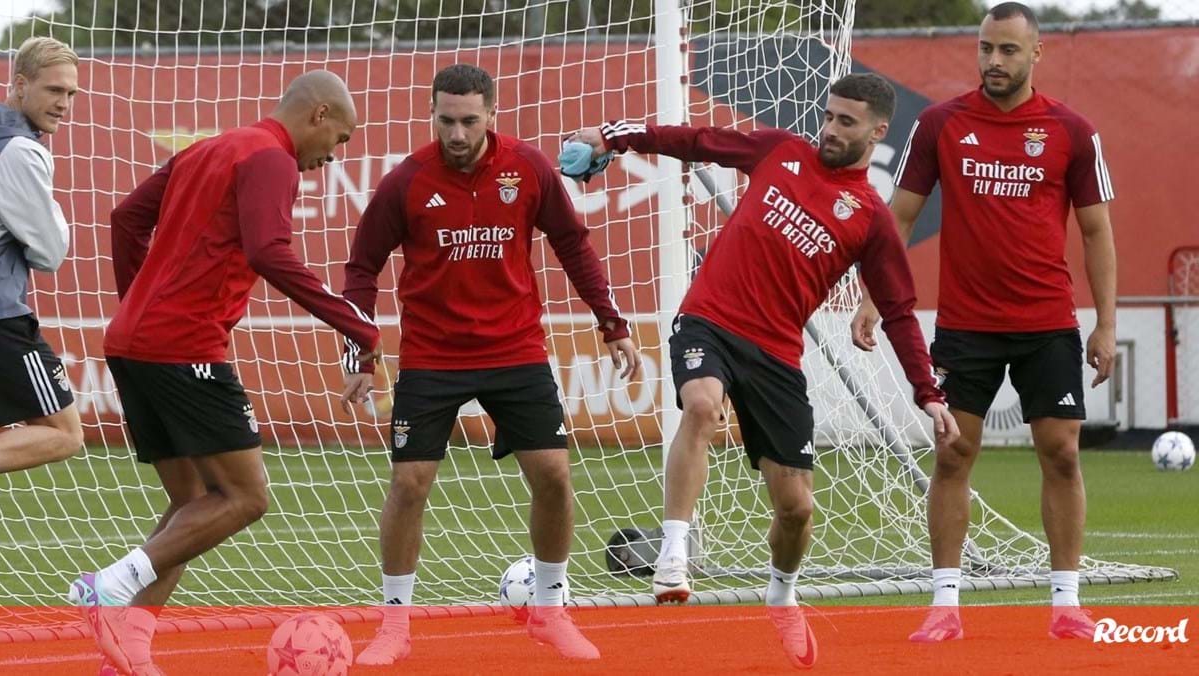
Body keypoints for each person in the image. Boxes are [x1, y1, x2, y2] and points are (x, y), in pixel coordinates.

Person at [572, 73, 958, 669]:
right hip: (709, 320)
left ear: (879, 132)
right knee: (700, 405)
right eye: (828, 116)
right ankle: (672, 552)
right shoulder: (780, 150)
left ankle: (782, 596)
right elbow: (696, 141)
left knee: (797, 508)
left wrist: (927, 393)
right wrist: (614, 138)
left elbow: (901, 312)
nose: (830, 129)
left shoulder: (871, 219)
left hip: (777, 355)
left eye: (846, 122)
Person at [67, 70, 381, 675]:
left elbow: (126, 217)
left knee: (191, 505)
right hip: (185, 346)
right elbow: (270, 251)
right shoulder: (273, 159)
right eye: (339, 139)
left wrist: (140, 305)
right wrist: (358, 327)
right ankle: (109, 586)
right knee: (245, 497)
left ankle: (127, 652)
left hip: (134, 343)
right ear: (317, 116)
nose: (333, 156)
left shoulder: (210, 148)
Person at [343, 64, 638, 664]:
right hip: (431, 356)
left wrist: (611, 323)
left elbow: (573, 244)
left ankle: (551, 610)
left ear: (492, 115)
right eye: (446, 120)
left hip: (515, 351)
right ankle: (395, 625)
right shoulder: (405, 182)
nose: (457, 133)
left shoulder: (527, 169)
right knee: (409, 484)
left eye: (469, 120)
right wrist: (360, 352)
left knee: (554, 475)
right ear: (432, 114)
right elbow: (361, 268)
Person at [850, 2, 1116, 642]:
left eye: (1008, 51)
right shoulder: (941, 124)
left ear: (1035, 54)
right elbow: (899, 217)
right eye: (986, 48)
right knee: (953, 454)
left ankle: (1066, 605)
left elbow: (1097, 230)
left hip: (1048, 323)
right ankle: (944, 605)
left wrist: (1104, 325)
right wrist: (870, 296)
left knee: (1061, 453)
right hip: (965, 326)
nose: (994, 61)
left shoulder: (1072, 131)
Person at [0, 37, 84, 473]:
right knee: (64, 432)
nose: (64, 103)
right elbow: (51, 254)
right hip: (3, 321)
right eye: (54, 90)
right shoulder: (20, 151)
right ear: (19, 85)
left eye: (70, 93)